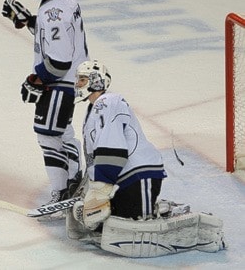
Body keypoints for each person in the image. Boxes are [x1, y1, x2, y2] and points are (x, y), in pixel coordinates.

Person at [68, 60, 225, 257]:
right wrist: (90, 190)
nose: (78, 85)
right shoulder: (94, 110)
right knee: (106, 224)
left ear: (97, 81)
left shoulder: (108, 102)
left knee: (133, 224)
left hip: (137, 175)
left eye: (82, 80)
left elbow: (112, 146)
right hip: (119, 178)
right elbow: (96, 156)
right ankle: (156, 208)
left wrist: (100, 190)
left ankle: (195, 228)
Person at [1, 0, 89, 213]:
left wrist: (35, 79)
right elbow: (51, 34)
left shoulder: (53, 16)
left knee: (47, 134)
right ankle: (74, 177)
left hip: (60, 80)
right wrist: (27, 18)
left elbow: (59, 62)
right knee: (61, 131)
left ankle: (62, 191)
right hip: (72, 77)